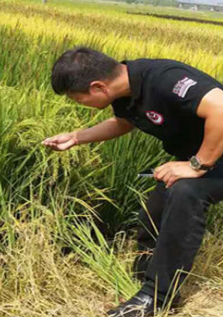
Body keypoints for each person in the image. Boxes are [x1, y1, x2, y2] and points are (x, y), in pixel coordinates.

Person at [42, 46, 223, 317]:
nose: (80, 105)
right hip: (210, 155)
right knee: (158, 206)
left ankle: (157, 297)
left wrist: (197, 165)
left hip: (211, 156)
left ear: (98, 87)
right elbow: (123, 123)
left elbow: (221, 108)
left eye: (79, 100)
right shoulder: (127, 90)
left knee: (186, 191)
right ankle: (147, 271)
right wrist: (77, 136)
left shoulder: (166, 79)